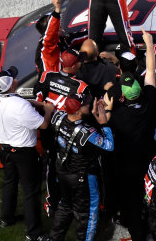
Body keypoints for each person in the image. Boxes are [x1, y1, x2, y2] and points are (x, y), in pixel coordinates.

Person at [102, 28, 156, 241]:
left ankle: (136, 233)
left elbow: (104, 121)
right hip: (147, 160)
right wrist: (149, 44)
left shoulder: (117, 115)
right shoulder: (149, 103)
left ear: (122, 97)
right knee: (148, 197)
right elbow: (151, 72)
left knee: (131, 200)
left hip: (124, 164)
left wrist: (107, 107)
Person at [0, 66, 54, 241]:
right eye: (14, 79)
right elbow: (43, 125)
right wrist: (47, 110)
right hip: (24, 153)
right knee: (31, 192)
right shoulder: (20, 106)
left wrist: (36, 103)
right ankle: (34, 233)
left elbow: (14, 99)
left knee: (9, 183)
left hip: (5, 150)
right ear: (11, 85)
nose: (17, 79)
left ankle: (7, 218)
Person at [47, 93, 115, 241]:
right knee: (88, 214)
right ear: (78, 111)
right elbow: (109, 146)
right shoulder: (86, 133)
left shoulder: (58, 117)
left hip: (62, 171)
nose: (89, 105)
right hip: (82, 177)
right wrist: (104, 124)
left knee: (65, 205)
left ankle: (53, 238)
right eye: (86, 105)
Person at [34, 49, 90, 216]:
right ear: (73, 66)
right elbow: (84, 113)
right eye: (78, 61)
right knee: (71, 167)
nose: (80, 63)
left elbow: (37, 101)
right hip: (68, 132)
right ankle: (70, 201)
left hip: (48, 130)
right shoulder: (81, 86)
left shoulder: (46, 76)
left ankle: (52, 203)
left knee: (51, 166)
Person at [35, 0, 63, 74]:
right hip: (54, 83)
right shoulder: (46, 46)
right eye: (55, 23)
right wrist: (57, 10)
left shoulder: (61, 39)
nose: (59, 23)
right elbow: (50, 34)